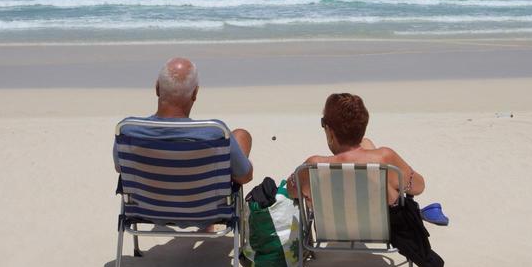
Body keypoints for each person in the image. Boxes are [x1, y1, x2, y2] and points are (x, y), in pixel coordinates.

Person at [114, 57, 254, 186]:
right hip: (206, 212)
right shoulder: (215, 133)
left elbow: (120, 167)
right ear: (195, 94)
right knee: (241, 136)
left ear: (157, 88)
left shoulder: (128, 130)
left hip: (145, 211)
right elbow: (244, 177)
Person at [286, 92, 424, 207]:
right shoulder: (384, 158)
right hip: (380, 231)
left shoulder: (313, 165)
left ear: (330, 131)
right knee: (369, 150)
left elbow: (291, 190)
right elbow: (418, 186)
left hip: (332, 230)